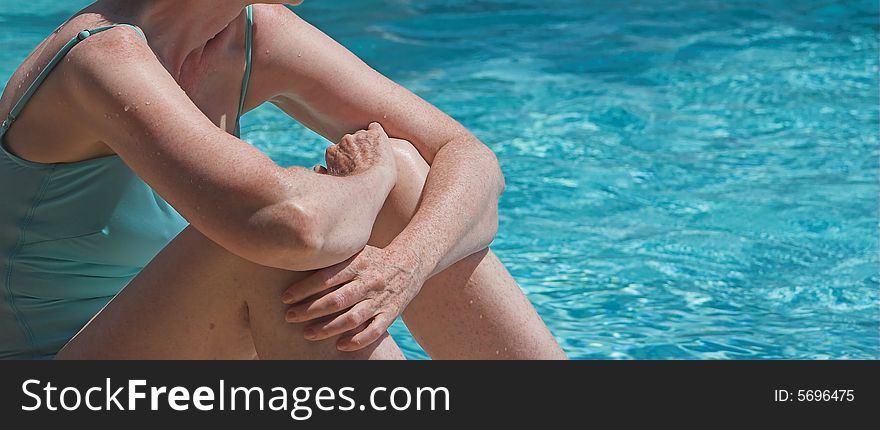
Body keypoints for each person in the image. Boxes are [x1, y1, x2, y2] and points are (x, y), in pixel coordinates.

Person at [0, 0, 565, 359]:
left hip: (187, 358)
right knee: (269, 253)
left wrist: (404, 266)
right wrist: (372, 174)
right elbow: (290, 228)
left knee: (414, 177)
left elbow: (472, 161)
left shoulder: (250, 32)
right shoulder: (101, 58)